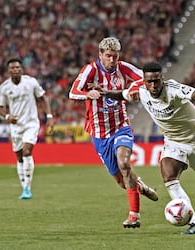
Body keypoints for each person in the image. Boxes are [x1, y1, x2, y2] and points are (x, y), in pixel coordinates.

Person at [98, 61, 195, 234]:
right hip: (173, 141)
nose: (153, 85)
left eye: (157, 81)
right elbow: (122, 95)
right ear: (144, 81)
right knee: (169, 178)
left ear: (162, 79)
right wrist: (105, 93)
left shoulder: (174, 89)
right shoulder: (141, 91)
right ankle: (194, 223)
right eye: (149, 81)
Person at [68, 37, 158, 229]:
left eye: (115, 57)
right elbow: (72, 91)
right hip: (99, 134)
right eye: (108, 56)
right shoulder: (90, 70)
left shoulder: (123, 68)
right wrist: (87, 94)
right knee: (121, 181)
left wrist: (131, 89)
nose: (111, 60)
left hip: (121, 127)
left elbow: (145, 79)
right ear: (100, 54)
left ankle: (134, 216)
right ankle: (141, 187)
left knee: (125, 163)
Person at [0, 58, 54, 199]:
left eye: (18, 67)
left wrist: (49, 116)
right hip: (16, 126)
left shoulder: (31, 82)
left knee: (27, 151)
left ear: (22, 69)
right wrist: (7, 116)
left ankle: (27, 189)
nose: (16, 70)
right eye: (13, 68)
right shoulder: (4, 87)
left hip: (31, 123)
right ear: (8, 71)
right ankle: (24, 187)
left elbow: (42, 98)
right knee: (19, 156)